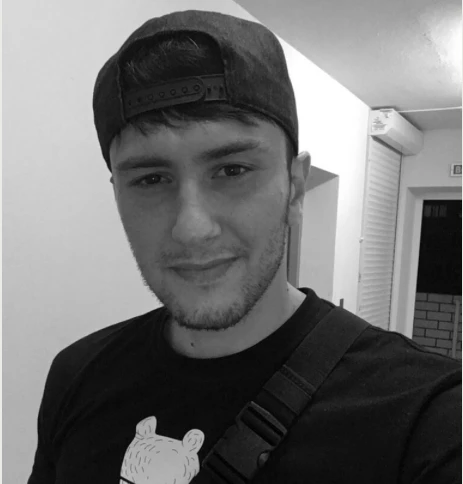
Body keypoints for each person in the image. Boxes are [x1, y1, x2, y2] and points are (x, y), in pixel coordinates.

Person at [28, 10, 461, 484]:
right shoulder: (77, 376)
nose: (192, 229)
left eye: (232, 170)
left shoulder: (431, 417)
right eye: (151, 179)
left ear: (295, 188)